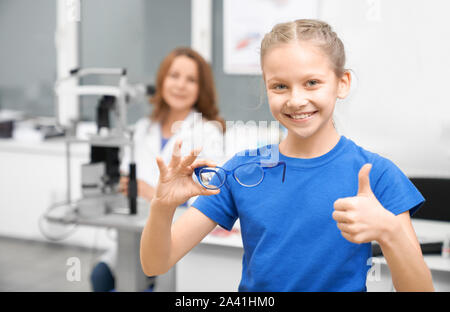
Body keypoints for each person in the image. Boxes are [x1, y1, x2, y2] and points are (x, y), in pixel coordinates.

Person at [140, 20, 434, 292]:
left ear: (342, 83)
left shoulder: (376, 174)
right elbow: (156, 263)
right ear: (266, 87)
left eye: (312, 83)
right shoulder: (241, 171)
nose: (295, 100)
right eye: (280, 86)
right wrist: (162, 207)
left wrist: (389, 231)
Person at [90, 47, 226, 292]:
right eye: (174, 76)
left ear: (200, 89)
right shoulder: (143, 127)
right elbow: (126, 178)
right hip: (133, 232)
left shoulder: (207, 131)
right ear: (162, 80)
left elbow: (211, 196)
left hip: (176, 236)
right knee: (100, 277)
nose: (180, 85)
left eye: (191, 80)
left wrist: (154, 194)